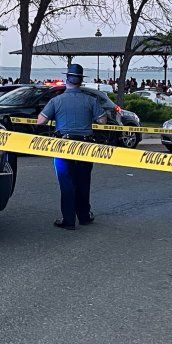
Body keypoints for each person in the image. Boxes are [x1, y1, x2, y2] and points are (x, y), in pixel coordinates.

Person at [35, 64, 107, 230]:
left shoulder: (56, 100)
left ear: (67, 79)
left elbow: (41, 121)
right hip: (86, 145)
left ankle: (68, 219)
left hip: (63, 145)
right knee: (83, 181)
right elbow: (102, 120)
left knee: (66, 182)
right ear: (81, 81)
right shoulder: (90, 100)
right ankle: (84, 216)